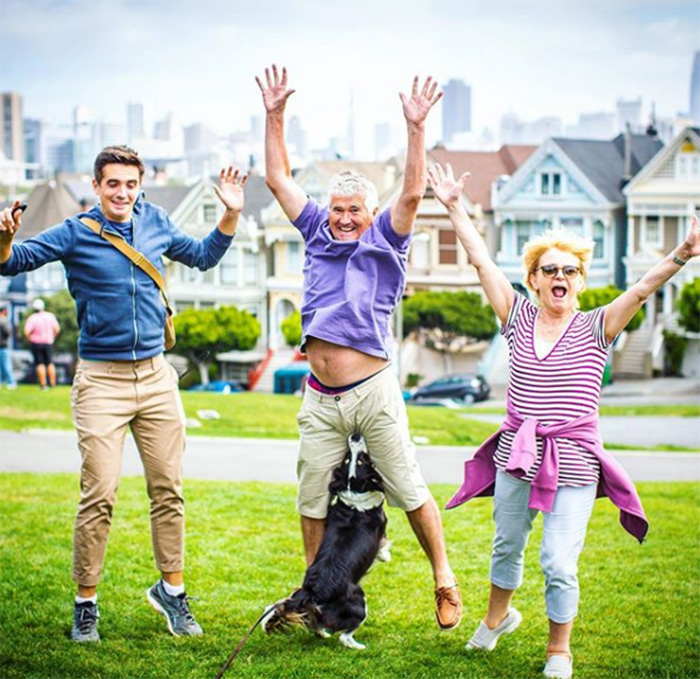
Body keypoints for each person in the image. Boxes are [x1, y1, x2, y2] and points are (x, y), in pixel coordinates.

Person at [429, 162, 699, 678]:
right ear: (532, 279)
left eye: (569, 270)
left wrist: (682, 254)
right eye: (549, 270)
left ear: (581, 280)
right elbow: (482, 261)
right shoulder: (516, 317)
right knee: (506, 545)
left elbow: (642, 289)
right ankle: (495, 621)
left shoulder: (597, 327)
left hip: (573, 463)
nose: (559, 277)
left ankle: (559, 650)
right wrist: (454, 207)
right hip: (517, 456)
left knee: (557, 562)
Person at [0, 145, 247, 643]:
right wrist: (4, 240)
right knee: (100, 496)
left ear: (140, 186)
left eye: (131, 184)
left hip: (156, 377)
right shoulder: (75, 233)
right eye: (113, 184)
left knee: (168, 492)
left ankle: (172, 594)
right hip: (101, 382)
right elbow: (14, 263)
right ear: (96, 186)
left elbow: (201, 257)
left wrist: (231, 213)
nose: (122, 193)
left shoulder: (155, 222)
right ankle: (85, 604)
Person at [256, 65, 462, 630]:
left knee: (406, 484)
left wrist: (415, 127)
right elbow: (277, 178)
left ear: (370, 213)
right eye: (338, 208)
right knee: (310, 493)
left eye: (355, 210)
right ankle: (313, 596)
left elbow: (414, 191)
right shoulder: (318, 231)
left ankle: (443, 577)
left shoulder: (385, 238)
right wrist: (275, 115)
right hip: (321, 396)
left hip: (372, 390)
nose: (344, 218)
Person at [24, 298, 60, 389]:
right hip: (48, 342)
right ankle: (53, 383)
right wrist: (53, 337)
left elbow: (26, 331)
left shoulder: (32, 318)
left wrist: (30, 339)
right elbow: (57, 329)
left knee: (40, 363)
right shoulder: (50, 316)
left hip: (36, 343)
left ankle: (43, 385)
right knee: (50, 363)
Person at [0, 302, 17, 389]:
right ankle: (11, 382)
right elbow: (8, 332)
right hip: (3, 346)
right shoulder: (3, 320)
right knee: (6, 365)